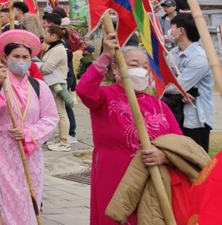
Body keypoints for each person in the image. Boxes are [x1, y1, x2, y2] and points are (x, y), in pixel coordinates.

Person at [78, 30, 182, 225]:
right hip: (114, 175)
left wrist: (164, 156)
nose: (141, 70)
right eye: (133, 65)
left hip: (153, 177)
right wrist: (106, 56)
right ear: (116, 69)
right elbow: (84, 90)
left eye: (145, 66)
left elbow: (178, 141)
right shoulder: (105, 96)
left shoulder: (158, 104)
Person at [0, 30, 59, 224]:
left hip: (31, 151)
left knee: (31, 195)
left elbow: (51, 118)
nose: (21, 61)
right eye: (16, 56)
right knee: (8, 198)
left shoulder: (39, 86)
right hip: (3, 150)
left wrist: (29, 133)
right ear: (6, 58)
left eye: (25, 57)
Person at [162, 13, 215, 153]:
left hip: (195, 118)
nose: (169, 31)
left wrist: (175, 90)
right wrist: (177, 91)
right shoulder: (173, 53)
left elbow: (175, 87)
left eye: (172, 27)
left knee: (195, 162)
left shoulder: (199, 58)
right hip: (174, 113)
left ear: (181, 30)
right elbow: (159, 81)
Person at [38, 25, 73, 152]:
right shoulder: (53, 47)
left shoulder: (58, 49)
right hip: (52, 83)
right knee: (58, 111)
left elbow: (48, 68)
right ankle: (61, 138)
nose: (44, 35)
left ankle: (64, 141)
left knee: (60, 112)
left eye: (46, 33)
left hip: (56, 84)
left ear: (53, 36)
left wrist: (34, 68)